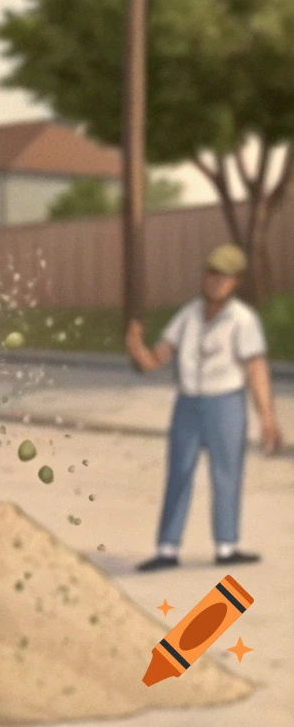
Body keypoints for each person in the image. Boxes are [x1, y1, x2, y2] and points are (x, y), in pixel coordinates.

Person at [125, 243, 283, 573]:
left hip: (225, 403)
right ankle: (167, 548)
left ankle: (226, 546)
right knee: (179, 471)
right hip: (188, 403)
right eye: (211, 274)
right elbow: (157, 358)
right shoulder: (188, 314)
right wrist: (137, 347)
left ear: (235, 281)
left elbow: (256, 369)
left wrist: (267, 418)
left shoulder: (243, 319)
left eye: (223, 277)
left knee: (225, 474)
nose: (215, 282)